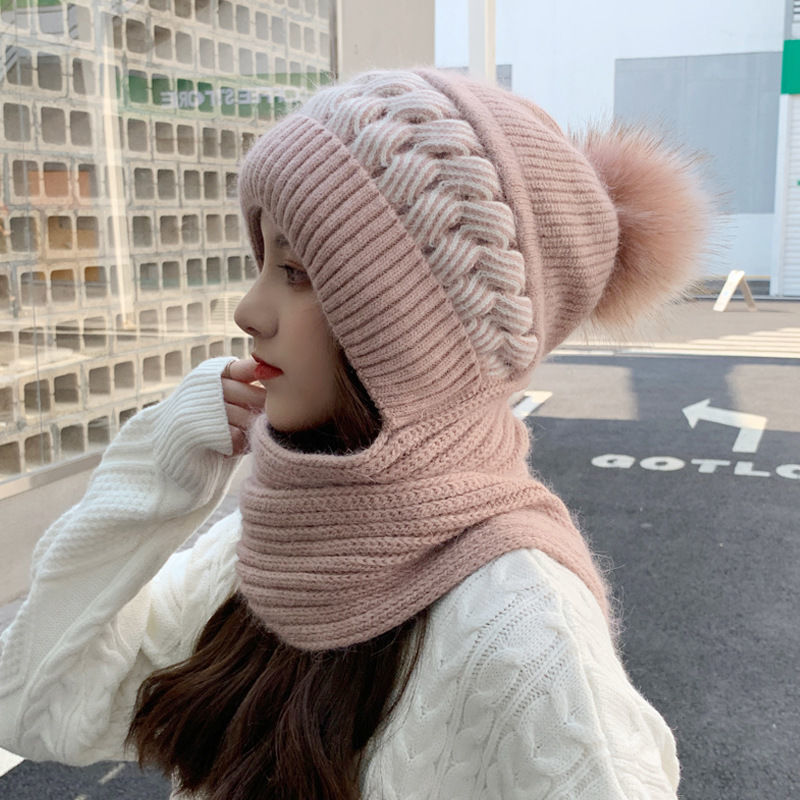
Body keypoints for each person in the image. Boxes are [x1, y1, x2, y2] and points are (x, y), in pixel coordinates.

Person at [0, 68, 710, 799]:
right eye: (264, 261)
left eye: (296, 271)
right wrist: (163, 461)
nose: (249, 310)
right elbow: (28, 703)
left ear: (412, 334)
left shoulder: (525, 631)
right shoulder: (274, 543)